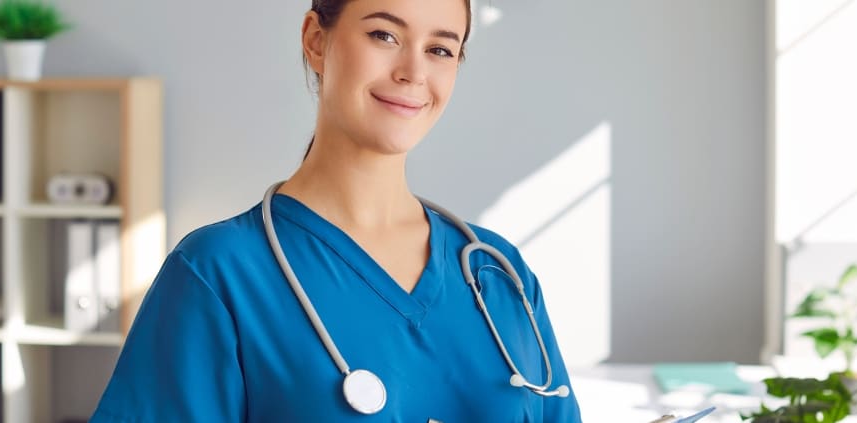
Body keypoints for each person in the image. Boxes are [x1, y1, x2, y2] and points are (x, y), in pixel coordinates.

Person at [90, 0, 582, 421]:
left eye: (440, 49)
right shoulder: (220, 273)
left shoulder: (498, 271)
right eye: (384, 34)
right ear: (316, 41)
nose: (413, 71)